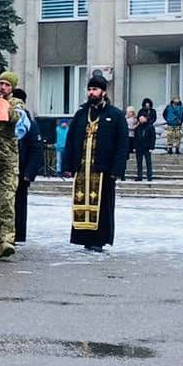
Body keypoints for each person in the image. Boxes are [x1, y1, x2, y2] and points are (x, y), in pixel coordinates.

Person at [62, 71, 129, 251]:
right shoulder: (81, 114)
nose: (92, 92)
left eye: (95, 89)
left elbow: (123, 144)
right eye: (90, 89)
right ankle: (83, 237)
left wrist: (117, 168)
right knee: (81, 203)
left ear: (104, 92)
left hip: (103, 170)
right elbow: (70, 141)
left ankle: (99, 240)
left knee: (103, 206)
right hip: (83, 169)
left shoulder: (115, 115)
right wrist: (67, 165)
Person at [0, 71, 23, 259]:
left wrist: (3, 104)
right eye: (0, 84)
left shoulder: (16, 103)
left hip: (8, 159)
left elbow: (15, 117)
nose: (2, 87)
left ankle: (7, 239)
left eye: (7, 85)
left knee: (7, 201)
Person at [11, 88, 42, 244]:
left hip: (21, 170)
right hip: (7, 168)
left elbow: (36, 149)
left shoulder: (29, 122)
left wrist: (29, 173)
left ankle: (18, 234)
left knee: (19, 204)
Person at [133, 97, 157, 182]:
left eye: (142, 118)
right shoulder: (138, 127)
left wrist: (151, 147)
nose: (140, 119)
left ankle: (149, 176)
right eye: (140, 118)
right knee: (139, 163)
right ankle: (139, 176)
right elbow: (136, 137)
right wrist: (134, 147)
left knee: (148, 162)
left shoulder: (150, 127)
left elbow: (153, 137)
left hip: (147, 147)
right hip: (139, 147)